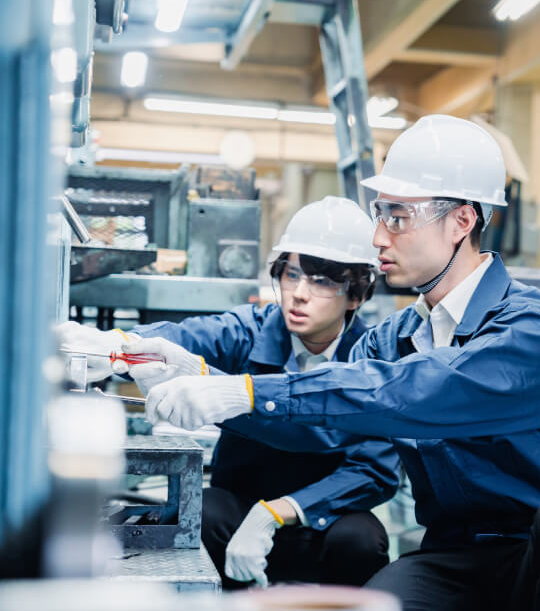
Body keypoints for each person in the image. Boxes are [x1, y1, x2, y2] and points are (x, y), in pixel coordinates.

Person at [141, 114, 540, 611]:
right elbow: (322, 426)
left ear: (462, 220)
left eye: (398, 216)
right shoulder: (392, 338)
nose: (378, 237)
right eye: (380, 214)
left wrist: (242, 391)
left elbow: (421, 390)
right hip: (453, 556)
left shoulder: (529, 327)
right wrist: (200, 380)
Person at [55, 196, 399, 590]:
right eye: (291, 274)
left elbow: (375, 469)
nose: (299, 293)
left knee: (363, 541)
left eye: (321, 281)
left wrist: (276, 513)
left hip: (322, 514)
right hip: (240, 504)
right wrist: (118, 343)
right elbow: (190, 335)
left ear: (356, 293)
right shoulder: (252, 329)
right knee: (206, 513)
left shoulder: (373, 360)